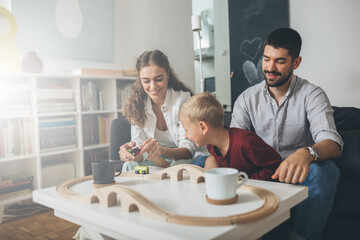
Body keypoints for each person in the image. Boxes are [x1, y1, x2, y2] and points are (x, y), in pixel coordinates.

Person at [230, 28, 343, 240]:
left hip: (299, 174)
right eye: (266, 59)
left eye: (280, 61)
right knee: (202, 161)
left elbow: (332, 142)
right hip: (261, 172)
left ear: (296, 62)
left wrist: (306, 153)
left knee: (326, 171)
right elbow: (234, 143)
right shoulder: (246, 98)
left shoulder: (312, 94)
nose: (270, 68)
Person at [119, 50, 205, 169]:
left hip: (183, 157)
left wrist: (161, 150)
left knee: (177, 167)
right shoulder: (137, 105)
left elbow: (188, 150)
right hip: (156, 158)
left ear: (168, 75)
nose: (153, 86)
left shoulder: (183, 100)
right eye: (146, 81)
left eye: (158, 79)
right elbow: (141, 152)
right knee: (129, 165)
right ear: (140, 79)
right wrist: (132, 154)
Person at [179, 92, 282, 180]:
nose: (186, 136)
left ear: (203, 127)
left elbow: (275, 165)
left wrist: (246, 180)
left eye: (187, 130)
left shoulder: (245, 142)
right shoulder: (211, 145)